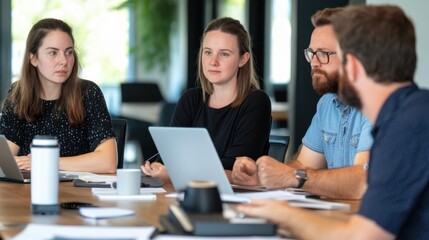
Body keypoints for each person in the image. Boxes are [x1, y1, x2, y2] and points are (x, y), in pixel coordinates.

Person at [238, 5, 429, 239]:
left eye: (328, 54)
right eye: (312, 53)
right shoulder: (407, 112)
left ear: (356, 64)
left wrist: (284, 214)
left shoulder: (407, 125)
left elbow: (362, 236)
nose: (315, 63)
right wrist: (264, 178)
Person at [232, 7, 372, 200]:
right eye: (311, 53)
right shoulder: (327, 104)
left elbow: (362, 182)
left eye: (323, 53)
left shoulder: (378, 104)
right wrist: (259, 177)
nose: (314, 62)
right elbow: (302, 167)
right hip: (339, 218)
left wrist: (291, 176)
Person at [141, 17, 272, 181]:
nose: (213, 62)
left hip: (238, 199)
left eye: (224, 54)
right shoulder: (191, 99)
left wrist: (178, 171)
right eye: (208, 52)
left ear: (243, 59)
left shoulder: (256, 102)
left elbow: (235, 168)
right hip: (186, 194)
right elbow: (169, 158)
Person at [0, 18, 117, 174]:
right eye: (53, 53)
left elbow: (108, 162)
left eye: (69, 52)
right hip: (29, 193)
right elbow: (4, 160)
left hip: (79, 193)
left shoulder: (88, 92)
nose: (64, 61)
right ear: (33, 58)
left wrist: (45, 162)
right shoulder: (18, 94)